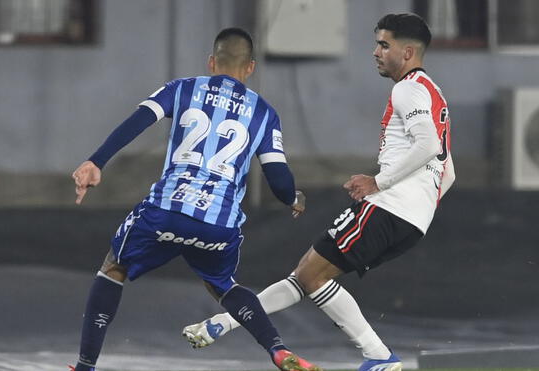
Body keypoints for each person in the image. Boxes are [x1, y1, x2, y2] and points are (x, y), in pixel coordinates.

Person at [182, 13, 456, 371]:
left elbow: (427, 144)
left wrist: (380, 183)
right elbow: (447, 169)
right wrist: (420, 207)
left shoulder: (408, 88)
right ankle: (225, 322)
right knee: (307, 275)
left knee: (312, 276)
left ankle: (378, 357)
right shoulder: (434, 94)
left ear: (407, 53)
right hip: (411, 218)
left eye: (384, 44)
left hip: (390, 206)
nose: (375, 51)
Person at [69, 27, 321, 371]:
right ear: (250, 68)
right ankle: (276, 348)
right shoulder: (264, 112)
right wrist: (294, 198)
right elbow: (278, 180)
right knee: (223, 286)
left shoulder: (184, 88)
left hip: (166, 211)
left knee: (113, 267)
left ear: (211, 62)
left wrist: (95, 162)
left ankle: (84, 366)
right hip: (219, 224)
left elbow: (138, 121)